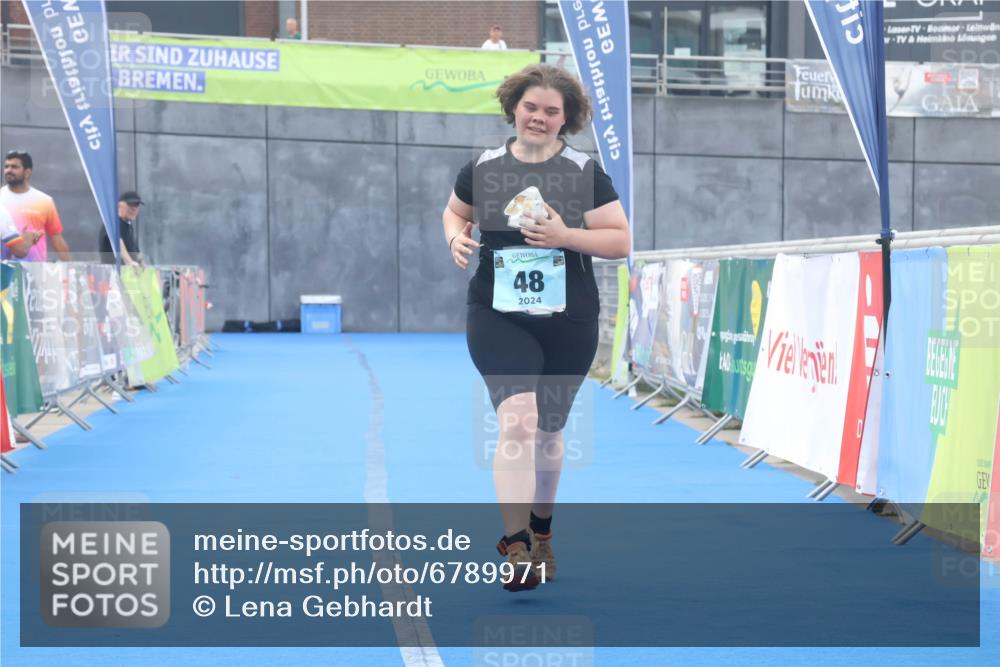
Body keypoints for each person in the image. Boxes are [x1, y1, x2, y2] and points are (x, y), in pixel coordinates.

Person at [442, 64, 629, 591]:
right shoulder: (482, 166)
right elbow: (455, 214)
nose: (540, 118)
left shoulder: (583, 171)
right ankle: (517, 545)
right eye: (531, 107)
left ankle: (543, 527)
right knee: (518, 422)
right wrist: (455, 237)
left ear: (566, 119)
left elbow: (619, 241)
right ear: (513, 107)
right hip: (498, 314)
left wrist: (567, 235)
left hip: (568, 319)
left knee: (548, 433)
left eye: (552, 111)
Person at [0, 150, 70, 261]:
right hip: (5, 272)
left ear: (27, 172)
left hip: (35, 270)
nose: (9, 170)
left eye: (14, 167)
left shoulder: (44, 201)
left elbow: (57, 239)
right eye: (6, 166)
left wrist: (71, 268)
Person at [99, 191, 144, 266]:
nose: (134, 209)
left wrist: (145, 265)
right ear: (119, 205)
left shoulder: (128, 226)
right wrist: (129, 262)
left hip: (130, 275)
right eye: (131, 204)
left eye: (137, 205)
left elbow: (137, 253)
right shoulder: (112, 224)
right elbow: (118, 243)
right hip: (115, 273)